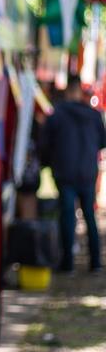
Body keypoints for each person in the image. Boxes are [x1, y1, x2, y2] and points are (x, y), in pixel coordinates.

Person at [39, 76, 106, 274]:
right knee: (89, 217)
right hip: (87, 172)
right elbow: (103, 142)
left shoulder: (57, 114)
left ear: (68, 90)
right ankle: (95, 262)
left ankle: (67, 262)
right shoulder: (93, 116)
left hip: (65, 172)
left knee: (67, 217)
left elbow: (45, 144)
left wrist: (49, 163)